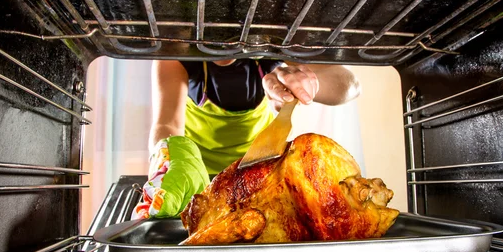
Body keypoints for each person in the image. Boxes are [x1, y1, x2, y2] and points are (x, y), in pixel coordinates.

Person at [132, 58, 361, 219]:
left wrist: (313, 83)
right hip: (197, 178)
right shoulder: (177, 53)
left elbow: (350, 85)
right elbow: (166, 123)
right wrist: (170, 162)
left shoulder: (271, 48)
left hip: (259, 174)